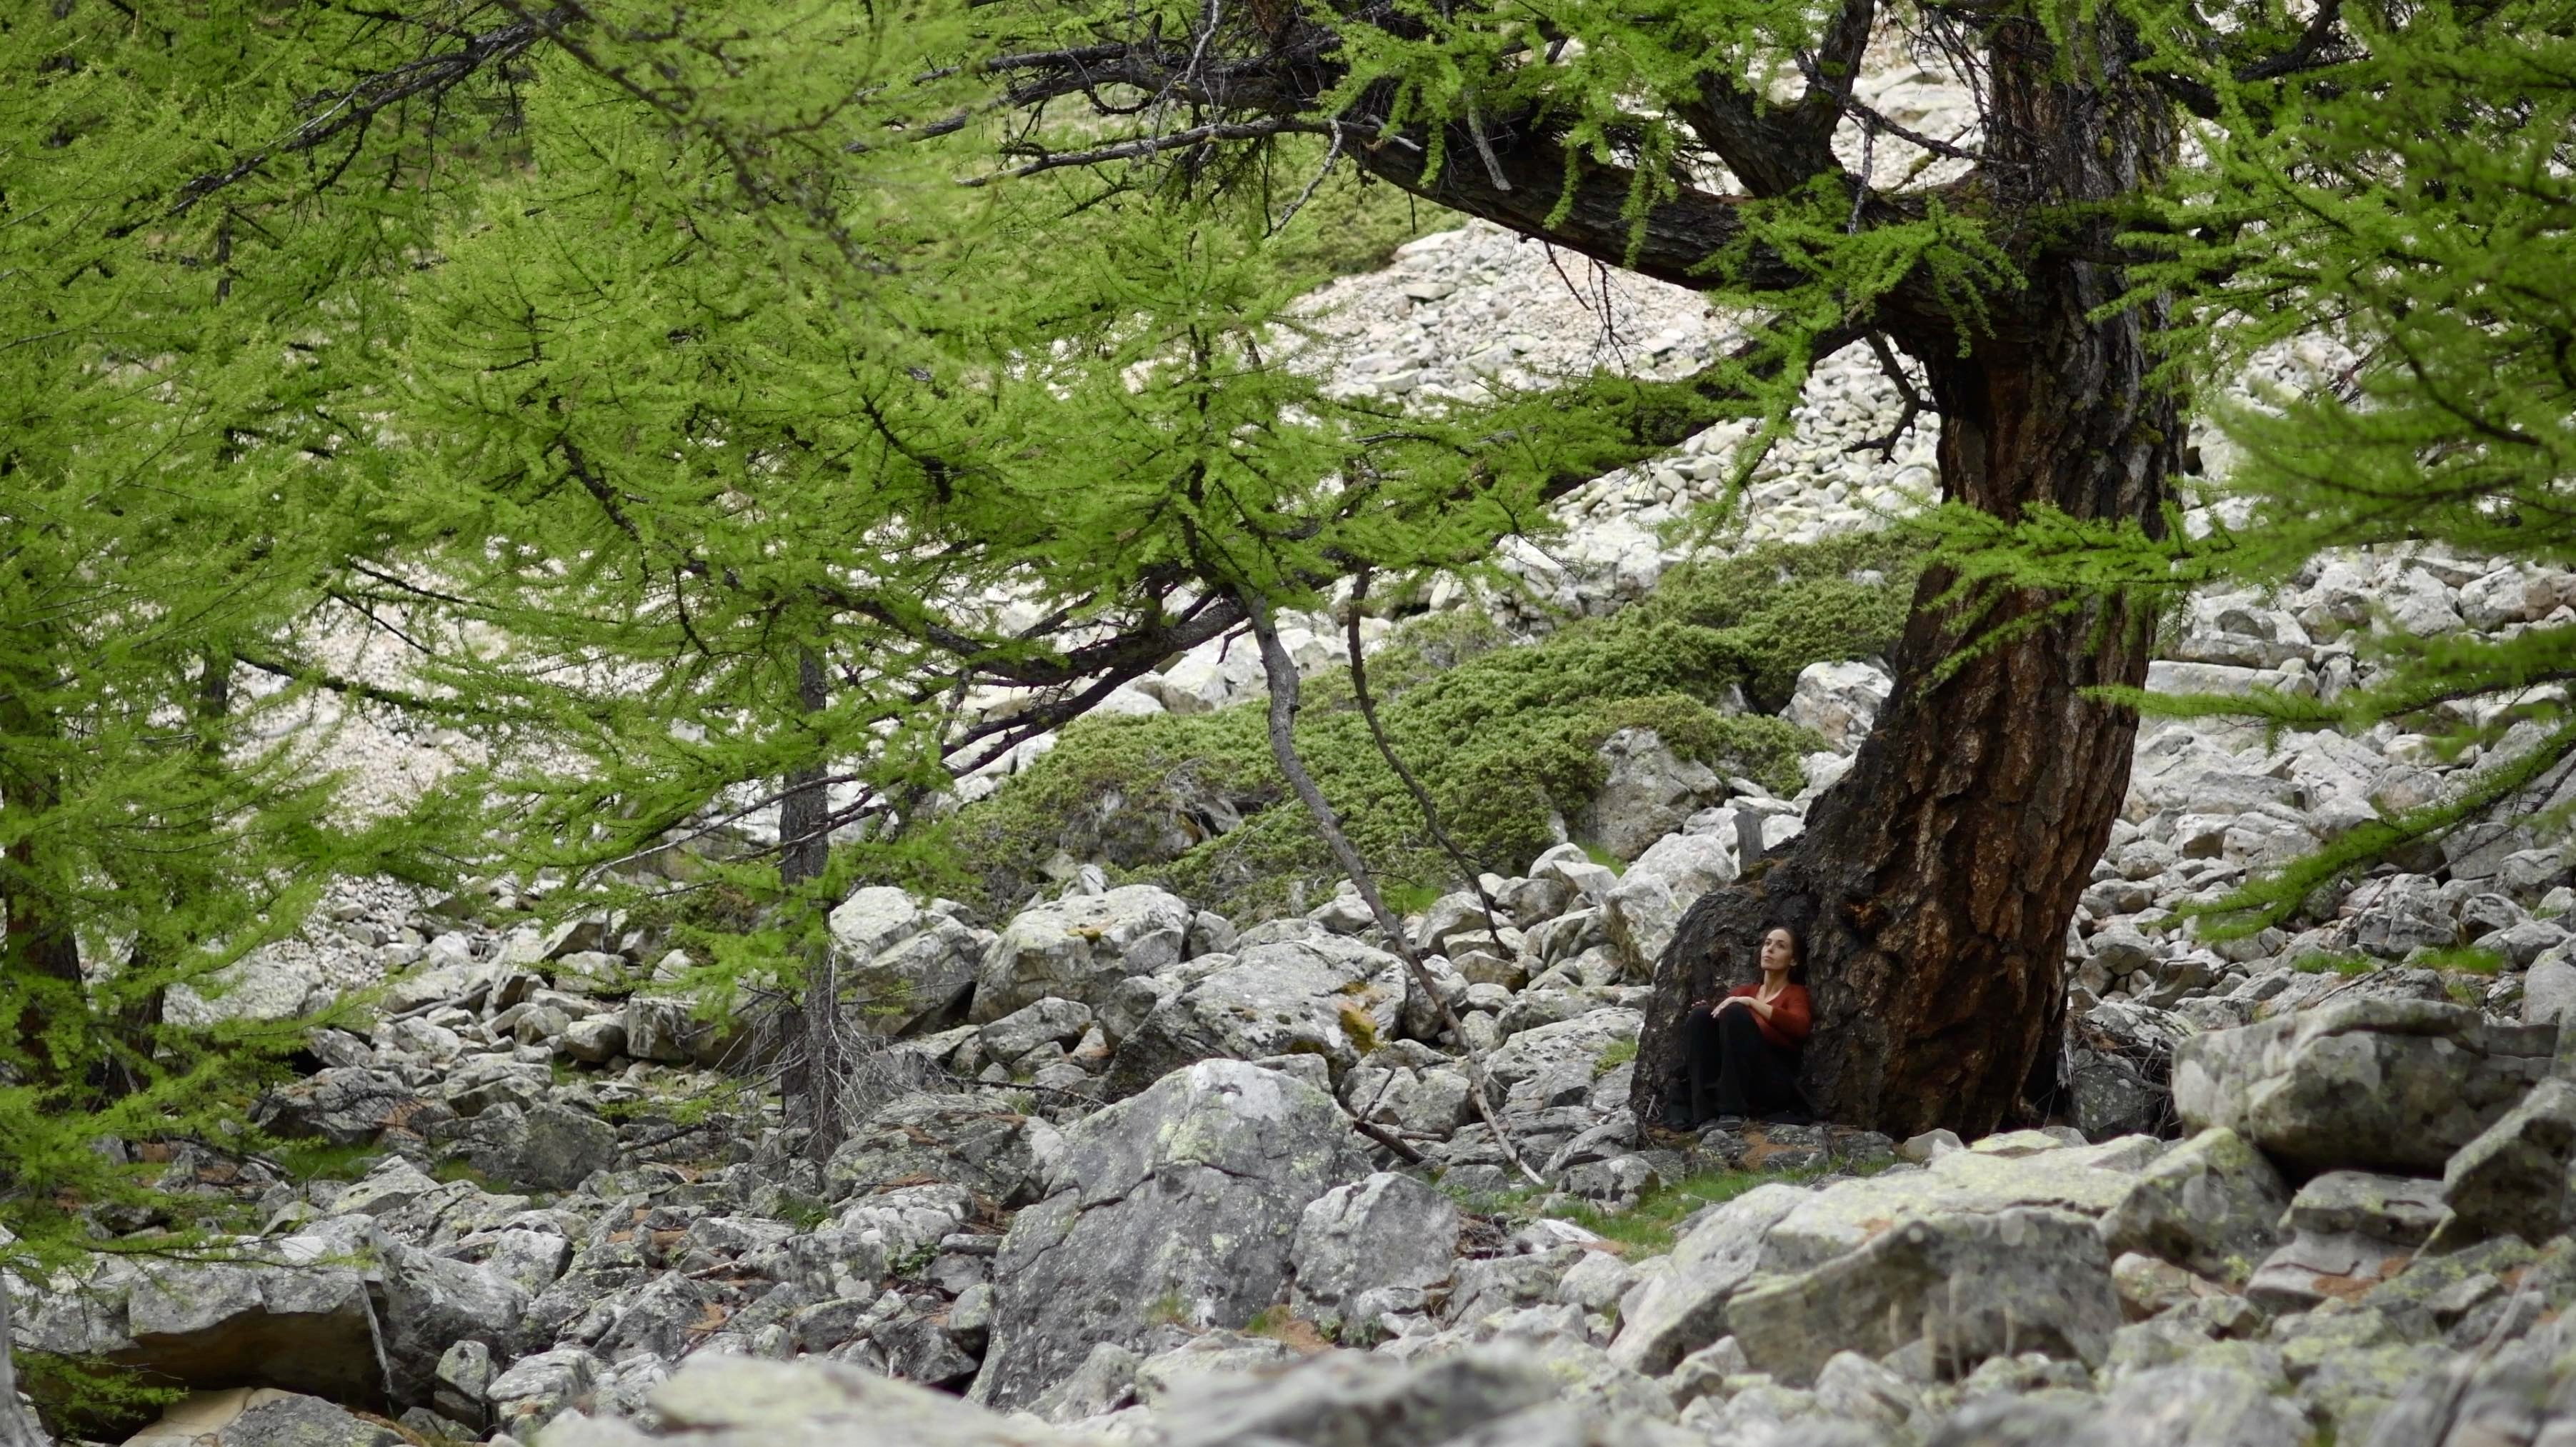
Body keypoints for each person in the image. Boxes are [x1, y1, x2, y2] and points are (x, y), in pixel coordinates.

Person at [1672, 924, 1813, 1128]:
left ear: (1793, 960)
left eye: (1780, 946)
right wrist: (1705, 1018)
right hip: (1734, 1078)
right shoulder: (1744, 991)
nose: (1770, 949)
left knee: (1736, 1011)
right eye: (1767, 943)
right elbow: (1721, 1032)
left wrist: (1751, 1003)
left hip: (1770, 1082)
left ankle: (1732, 1112)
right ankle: (1704, 1116)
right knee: (1700, 1016)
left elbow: (1800, 1027)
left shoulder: (1794, 993)